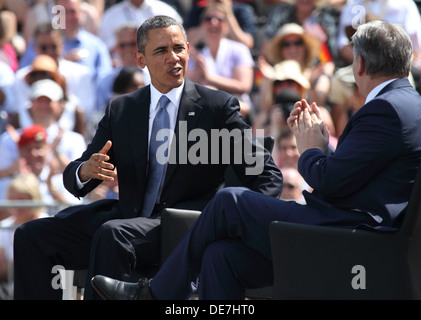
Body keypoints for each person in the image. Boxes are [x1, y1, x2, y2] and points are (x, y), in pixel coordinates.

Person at [90, 20, 421, 300]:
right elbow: (354, 177)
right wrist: (324, 148)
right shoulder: (406, 105)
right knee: (222, 256)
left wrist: (310, 151)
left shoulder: (386, 108)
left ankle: (152, 294)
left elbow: (330, 183)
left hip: (352, 237)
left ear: (360, 64)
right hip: (355, 230)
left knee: (229, 201)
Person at [13, 15, 282, 300]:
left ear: (189, 50)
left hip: (184, 224)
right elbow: (76, 175)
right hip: (127, 216)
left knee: (111, 235)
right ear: (141, 60)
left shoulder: (217, 107)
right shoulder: (123, 109)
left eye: (179, 48)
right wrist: (85, 171)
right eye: (161, 51)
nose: (174, 58)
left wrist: (236, 223)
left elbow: (267, 175)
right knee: (31, 235)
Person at [186, 3, 255, 117]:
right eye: (208, 19)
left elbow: (244, 86)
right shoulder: (194, 54)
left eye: (219, 19)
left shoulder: (239, 49)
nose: (213, 22)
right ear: (201, 25)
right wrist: (199, 68)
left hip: (236, 107)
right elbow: (187, 88)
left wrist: (209, 78)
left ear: (228, 25)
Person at [98, 0, 183, 51]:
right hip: (123, 74)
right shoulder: (110, 16)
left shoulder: (166, 12)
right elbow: (104, 49)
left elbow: (178, 43)